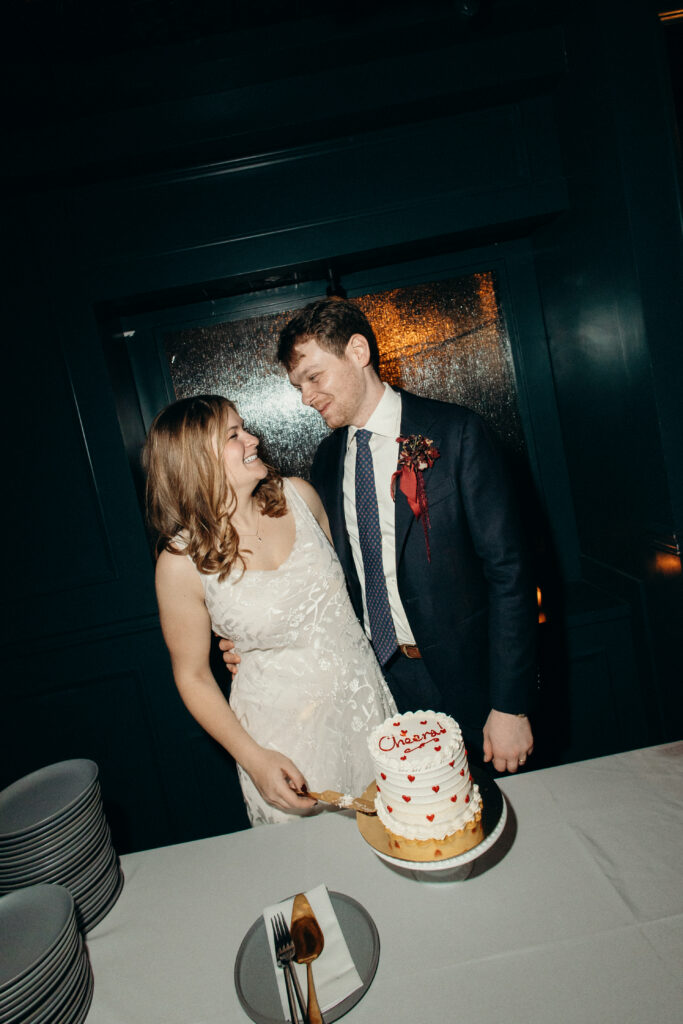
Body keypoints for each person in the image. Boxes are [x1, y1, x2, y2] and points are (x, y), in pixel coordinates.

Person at [221, 298, 537, 773]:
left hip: (471, 681)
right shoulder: (327, 461)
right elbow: (321, 576)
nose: (306, 397)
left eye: (314, 377)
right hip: (375, 685)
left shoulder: (455, 434)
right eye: (297, 386)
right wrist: (253, 640)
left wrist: (510, 703)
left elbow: (509, 573)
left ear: (357, 351)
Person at [144, 394, 396, 826]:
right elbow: (192, 676)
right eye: (234, 435)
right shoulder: (179, 563)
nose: (253, 439)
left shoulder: (300, 496)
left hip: (369, 716)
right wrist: (254, 759)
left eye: (245, 428)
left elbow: (356, 593)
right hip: (285, 743)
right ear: (195, 459)